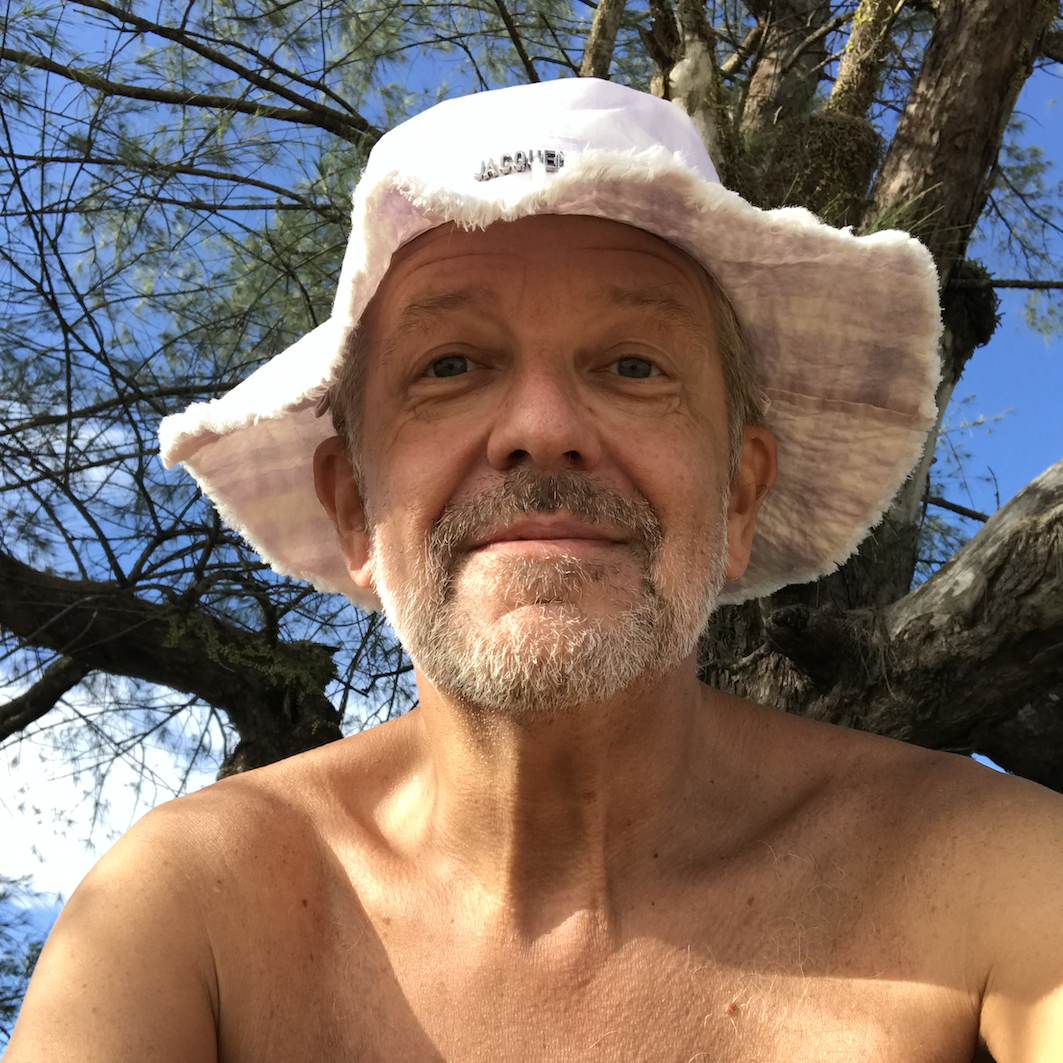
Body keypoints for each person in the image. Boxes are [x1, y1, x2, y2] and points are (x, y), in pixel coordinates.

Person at [8, 78, 1062, 1063]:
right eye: (450, 365)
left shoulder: (990, 871)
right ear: (354, 508)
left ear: (737, 496)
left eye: (634, 364)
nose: (544, 427)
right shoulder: (187, 906)